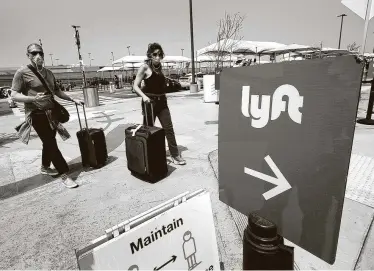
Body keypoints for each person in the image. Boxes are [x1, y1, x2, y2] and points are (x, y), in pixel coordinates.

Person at [11, 43, 83, 188]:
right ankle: (64, 174)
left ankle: (45, 166)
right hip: (36, 114)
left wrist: (72, 99)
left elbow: (57, 91)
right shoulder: (22, 72)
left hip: (51, 113)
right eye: (34, 53)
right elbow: (14, 95)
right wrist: (32, 99)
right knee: (51, 142)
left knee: (48, 142)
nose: (38, 56)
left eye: (40, 53)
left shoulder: (49, 73)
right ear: (28, 55)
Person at [133, 42, 186, 165]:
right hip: (149, 103)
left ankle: (175, 155)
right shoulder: (144, 67)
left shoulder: (160, 67)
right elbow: (135, 86)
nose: (158, 57)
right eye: (155, 54)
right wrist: (144, 97)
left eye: (160, 54)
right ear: (150, 55)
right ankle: (149, 156)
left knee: (168, 129)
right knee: (149, 130)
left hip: (162, 102)